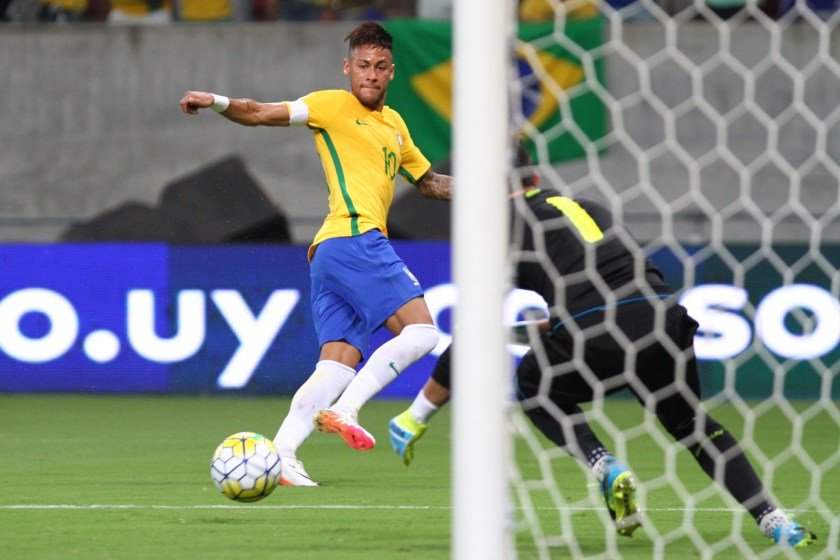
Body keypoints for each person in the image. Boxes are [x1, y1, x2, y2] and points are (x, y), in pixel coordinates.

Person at [388, 144, 817, 548]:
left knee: (535, 387)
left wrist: (418, 413)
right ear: (534, 174)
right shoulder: (582, 206)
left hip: (596, 331)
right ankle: (775, 521)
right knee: (690, 427)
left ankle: (603, 464)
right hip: (662, 320)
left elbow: (476, 330)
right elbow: (598, 287)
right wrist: (534, 329)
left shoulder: (501, 232)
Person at [180, 22, 453, 487]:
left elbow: (428, 183)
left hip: (329, 252)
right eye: (362, 66)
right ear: (348, 69)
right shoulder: (331, 105)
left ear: (392, 73)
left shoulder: (396, 125)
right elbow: (261, 113)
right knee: (424, 333)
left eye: (380, 67)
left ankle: (283, 454)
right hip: (355, 239)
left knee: (337, 361)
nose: (370, 74)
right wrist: (218, 102)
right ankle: (346, 409)